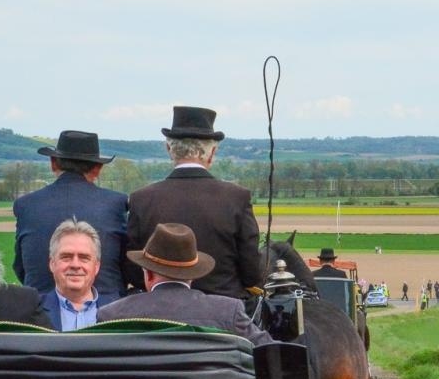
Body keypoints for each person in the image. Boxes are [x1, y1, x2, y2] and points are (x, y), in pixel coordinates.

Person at [127, 106, 263, 301]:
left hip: (158, 314)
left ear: (169, 149)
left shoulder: (141, 199)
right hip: (224, 314)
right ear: (212, 152)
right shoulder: (237, 198)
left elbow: (133, 272)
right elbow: (252, 274)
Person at [97, 223, 271, 346]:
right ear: (192, 275)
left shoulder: (112, 315)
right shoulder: (228, 311)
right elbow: (271, 352)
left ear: (148, 274)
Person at [12, 130, 128, 301]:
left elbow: (21, 267)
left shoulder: (26, 204)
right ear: (97, 169)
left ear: (53, 163)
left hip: (39, 313)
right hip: (105, 314)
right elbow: (126, 268)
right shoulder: (116, 203)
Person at [40, 219, 107, 332]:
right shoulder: (33, 312)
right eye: (66, 257)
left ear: (96, 267)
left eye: (84, 258)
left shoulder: (119, 312)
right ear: (52, 264)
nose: (75, 265)